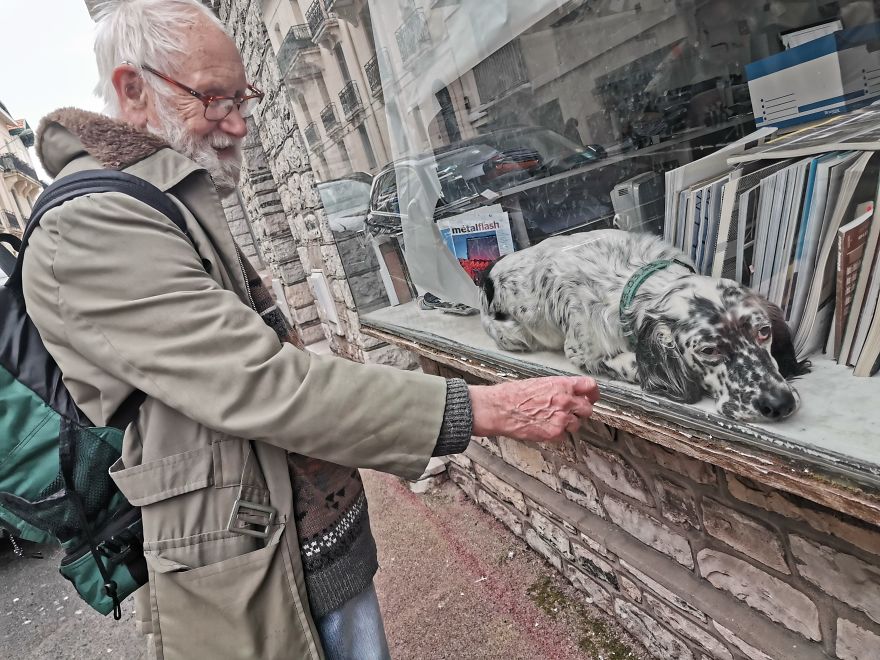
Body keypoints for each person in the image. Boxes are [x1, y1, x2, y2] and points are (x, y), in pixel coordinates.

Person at [23, 1, 600, 658]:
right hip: (257, 570)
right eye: (215, 101)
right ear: (132, 90)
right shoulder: (92, 225)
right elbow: (263, 384)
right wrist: (486, 406)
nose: (238, 124)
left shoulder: (155, 197)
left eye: (243, 98)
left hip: (297, 548)